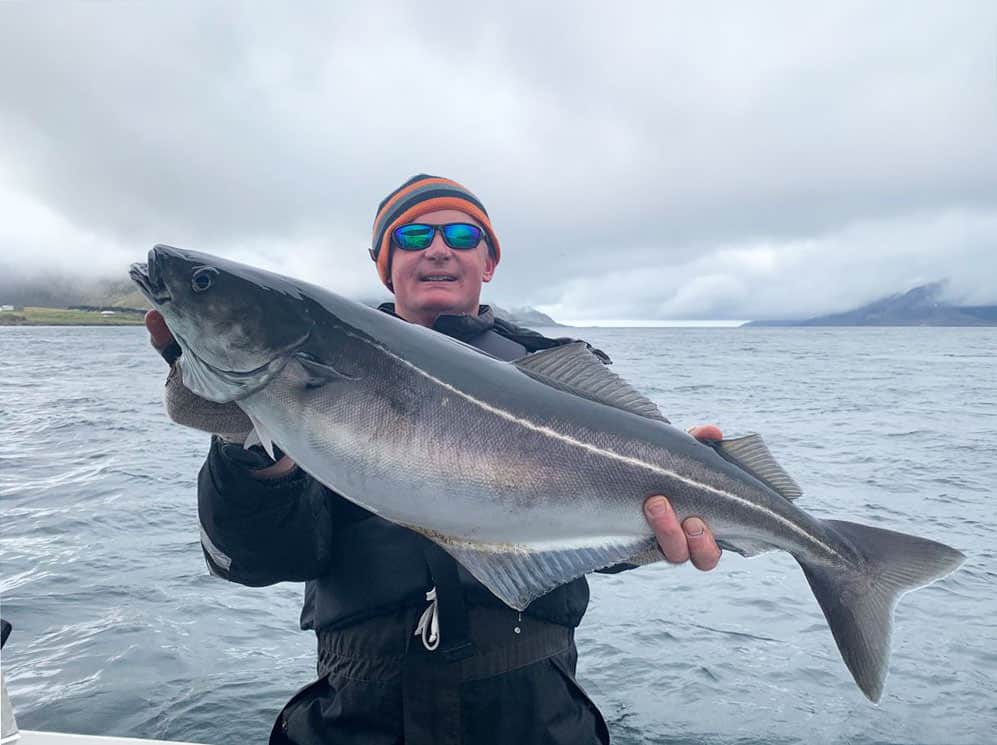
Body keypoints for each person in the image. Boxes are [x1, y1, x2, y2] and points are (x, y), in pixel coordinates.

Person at [145, 174, 723, 744]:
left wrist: (649, 530)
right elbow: (257, 560)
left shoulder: (560, 372)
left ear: (488, 262)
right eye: (415, 238)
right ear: (386, 265)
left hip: (536, 715)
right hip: (357, 712)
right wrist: (248, 446)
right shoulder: (315, 373)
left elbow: (586, 535)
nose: (440, 250)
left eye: (462, 237)